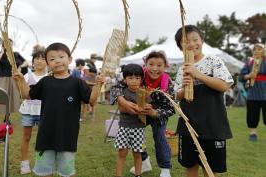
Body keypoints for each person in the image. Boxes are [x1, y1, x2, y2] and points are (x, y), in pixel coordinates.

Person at [13, 42, 105, 177]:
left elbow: (91, 101)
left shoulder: (77, 82)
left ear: (69, 59)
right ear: (48, 63)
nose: (57, 61)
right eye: (52, 59)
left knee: (66, 172)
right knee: (43, 172)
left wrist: (98, 85)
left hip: (68, 136)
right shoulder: (45, 82)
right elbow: (28, 95)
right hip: (45, 136)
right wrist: (20, 80)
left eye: (61, 57)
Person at [174, 25, 233, 177]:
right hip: (188, 125)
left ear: (202, 40)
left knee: (210, 168)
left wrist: (198, 74)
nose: (192, 44)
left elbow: (224, 85)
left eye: (196, 39)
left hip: (213, 124)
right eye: (186, 41)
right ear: (180, 47)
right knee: (190, 165)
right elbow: (177, 96)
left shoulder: (213, 60)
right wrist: (185, 86)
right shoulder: (182, 69)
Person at [112, 51, 175, 177]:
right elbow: (116, 88)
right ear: (145, 64)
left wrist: (155, 112)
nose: (154, 69)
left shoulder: (167, 83)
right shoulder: (137, 75)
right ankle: (145, 161)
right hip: (137, 115)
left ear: (165, 66)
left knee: (160, 137)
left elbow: (171, 108)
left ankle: (165, 169)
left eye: (159, 65)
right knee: (137, 137)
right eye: (151, 64)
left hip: (157, 115)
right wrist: (123, 101)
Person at [0, 39, 28, 128]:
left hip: (14, 78)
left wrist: (20, 66)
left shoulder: (16, 54)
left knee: (11, 99)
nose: (9, 46)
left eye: (11, 44)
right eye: (7, 44)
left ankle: (6, 119)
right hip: (3, 78)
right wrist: (2, 52)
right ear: (3, 45)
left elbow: (26, 62)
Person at [19, 47, 47, 175]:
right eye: (37, 58)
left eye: (43, 58)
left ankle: (41, 164)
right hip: (28, 111)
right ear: (33, 61)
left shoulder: (50, 77)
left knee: (43, 139)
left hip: (44, 112)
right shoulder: (26, 75)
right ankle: (24, 163)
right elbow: (21, 93)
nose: (40, 61)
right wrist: (17, 81)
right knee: (26, 137)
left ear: (47, 61)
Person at [115, 64, 145, 177]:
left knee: (138, 153)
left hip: (139, 128)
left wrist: (144, 108)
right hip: (124, 127)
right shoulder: (122, 92)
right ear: (125, 79)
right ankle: (118, 175)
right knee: (122, 152)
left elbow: (146, 108)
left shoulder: (143, 93)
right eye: (130, 78)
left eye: (137, 78)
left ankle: (138, 174)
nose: (134, 81)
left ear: (141, 79)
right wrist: (134, 108)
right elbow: (121, 108)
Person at [239, 43, 266, 142]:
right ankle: (253, 133)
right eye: (255, 49)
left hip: (265, 93)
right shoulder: (249, 62)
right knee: (252, 115)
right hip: (253, 93)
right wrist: (249, 75)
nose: (257, 50)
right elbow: (241, 77)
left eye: (260, 49)